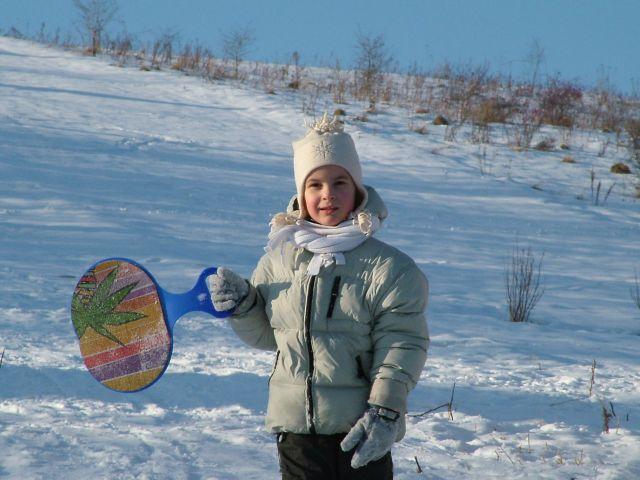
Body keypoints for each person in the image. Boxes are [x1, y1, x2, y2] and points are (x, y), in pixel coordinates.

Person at [208, 113, 429, 479]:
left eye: (339, 182)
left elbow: (403, 342)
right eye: (315, 185)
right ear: (301, 194)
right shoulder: (277, 261)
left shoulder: (390, 268)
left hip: (362, 426)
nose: (327, 194)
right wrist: (246, 307)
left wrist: (386, 411)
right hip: (296, 429)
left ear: (357, 190)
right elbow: (269, 337)